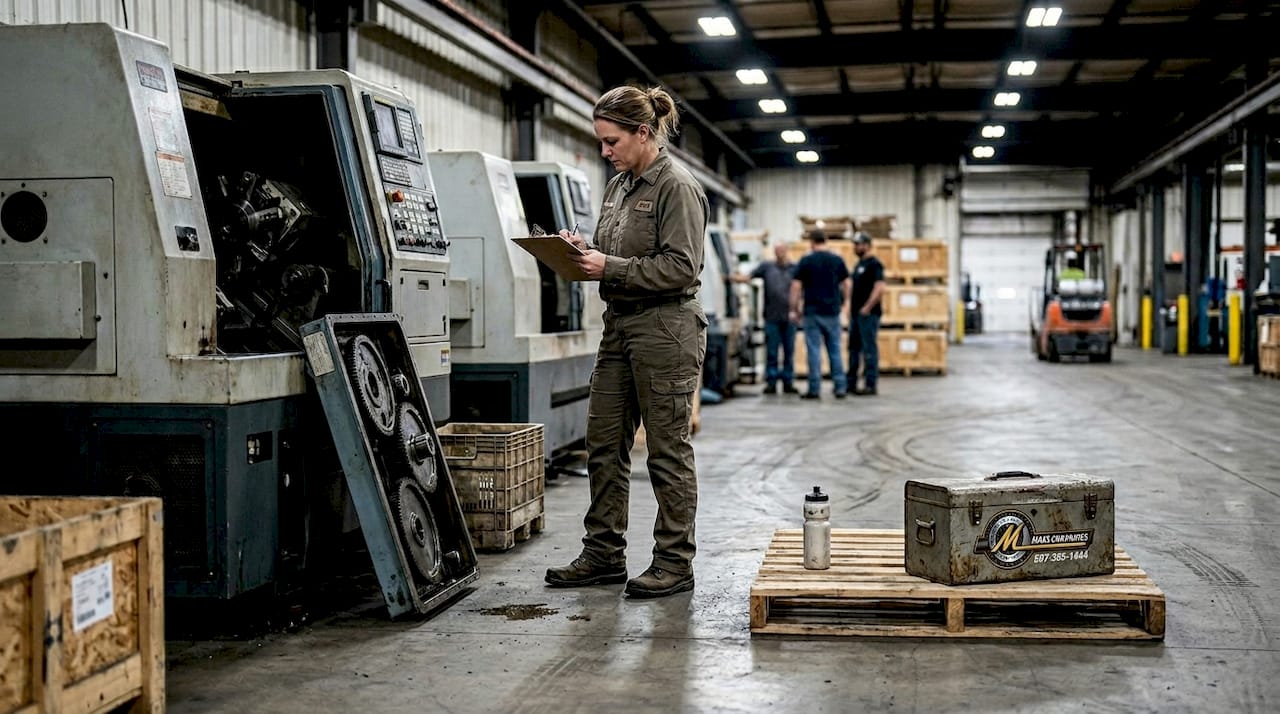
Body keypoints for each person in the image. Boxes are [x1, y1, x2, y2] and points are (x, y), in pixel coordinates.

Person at [544, 85, 709, 599]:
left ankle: (674, 562)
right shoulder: (619, 186)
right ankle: (603, 553)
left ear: (643, 133)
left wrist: (609, 267)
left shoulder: (677, 187)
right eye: (601, 141)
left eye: (612, 141)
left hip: (666, 328)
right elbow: (620, 250)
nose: (604, 151)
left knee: (666, 450)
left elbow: (682, 267)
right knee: (603, 442)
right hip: (619, 325)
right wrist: (584, 251)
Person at [789, 230, 850, 399]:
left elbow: (796, 286)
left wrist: (794, 309)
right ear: (826, 240)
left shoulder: (806, 260)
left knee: (814, 351)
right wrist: (846, 302)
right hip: (832, 312)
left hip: (812, 312)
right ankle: (840, 387)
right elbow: (847, 283)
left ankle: (814, 388)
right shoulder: (837, 260)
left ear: (811, 242)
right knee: (835, 350)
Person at [732, 243, 798, 394]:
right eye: (777, 251)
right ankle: (771, 382)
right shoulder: (767, 267)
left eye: (782, 250)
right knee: (772, 352)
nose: (780, 253)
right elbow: (748, 277)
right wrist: (731, 278)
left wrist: (798, 309)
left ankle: (788, 382)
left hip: (790, 317)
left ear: (787, 251)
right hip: (771, 317)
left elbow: (802, 287)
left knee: (789, 352)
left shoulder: (795, 268)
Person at [848, 232, 885, 396]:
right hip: (856, 314)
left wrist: (867, 307)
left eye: (858, 244)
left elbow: (879, 288)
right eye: (855, 244)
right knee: (853, 349)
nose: (855, 247)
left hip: (868, 315)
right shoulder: (858, 265)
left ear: (867, 245)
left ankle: (870, 384)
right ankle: (851, 383)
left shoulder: (874, 264)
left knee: (869, 349)